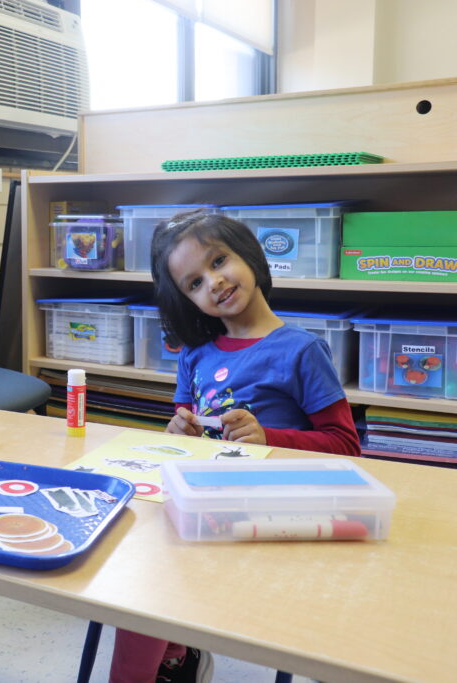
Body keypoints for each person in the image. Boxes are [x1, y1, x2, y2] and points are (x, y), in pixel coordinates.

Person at [108, 209, 360, 683]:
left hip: (274, 508)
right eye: (195, 283)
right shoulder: (195, 353)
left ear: (249, 254)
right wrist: (178, 433)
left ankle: (168, 658)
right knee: (137, 548)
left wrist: (268, 439)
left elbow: (346, 446)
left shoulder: (301, 350)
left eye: (219, 261)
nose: (215, 282)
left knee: (153, 568)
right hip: (207, 499)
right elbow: (185, 426)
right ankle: (176, 654)